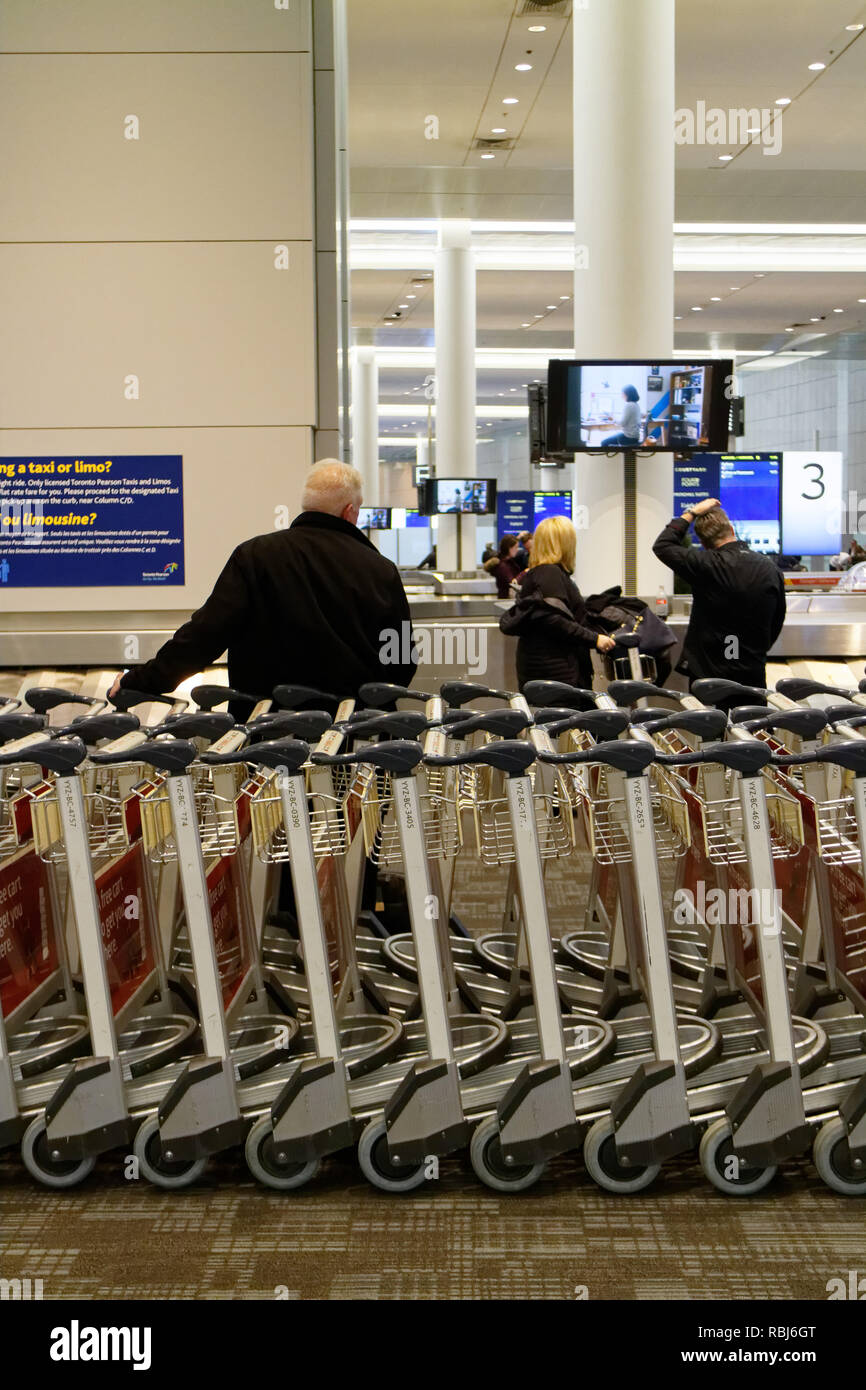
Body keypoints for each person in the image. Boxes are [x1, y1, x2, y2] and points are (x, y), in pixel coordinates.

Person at [109, 459, 415, 710]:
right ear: (350, 511)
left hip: (267, 732)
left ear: (307, 505)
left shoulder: (255, 556)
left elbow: (204, 636)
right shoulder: (380, 570)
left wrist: (138, 680)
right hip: (353, 737)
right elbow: (402, 661)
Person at [652, 496, 786, 696]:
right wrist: (757, 648)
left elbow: (663, 545)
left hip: (708, 673)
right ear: (731, 530)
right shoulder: (770, 569)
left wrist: (692, 513)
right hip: (750, 669)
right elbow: (777, 617)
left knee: (710, 725)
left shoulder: (704, 564)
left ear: (704, 544)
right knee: (749, 724)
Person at [499, 515, 616, 689]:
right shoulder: (550, 574)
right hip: (559, 673)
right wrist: (594, 639)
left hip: (544, 669)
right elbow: (552, 619)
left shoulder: (541, 573)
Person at [601, 384, 642, 449]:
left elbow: (622, 423)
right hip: (635, 437)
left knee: (604, 442)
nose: (621, 396)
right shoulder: (636, 405)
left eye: (622, 393)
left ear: (627, 394)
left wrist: (612, 419)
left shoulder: (629, 405)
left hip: (628, 437)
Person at [484, 534, 523, 599]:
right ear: (509, 548)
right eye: (515, 547)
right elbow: (513, 584)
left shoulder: (506, 562)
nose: (517, 550)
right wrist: (524, 573)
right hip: (507, 600)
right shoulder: (503, 566)